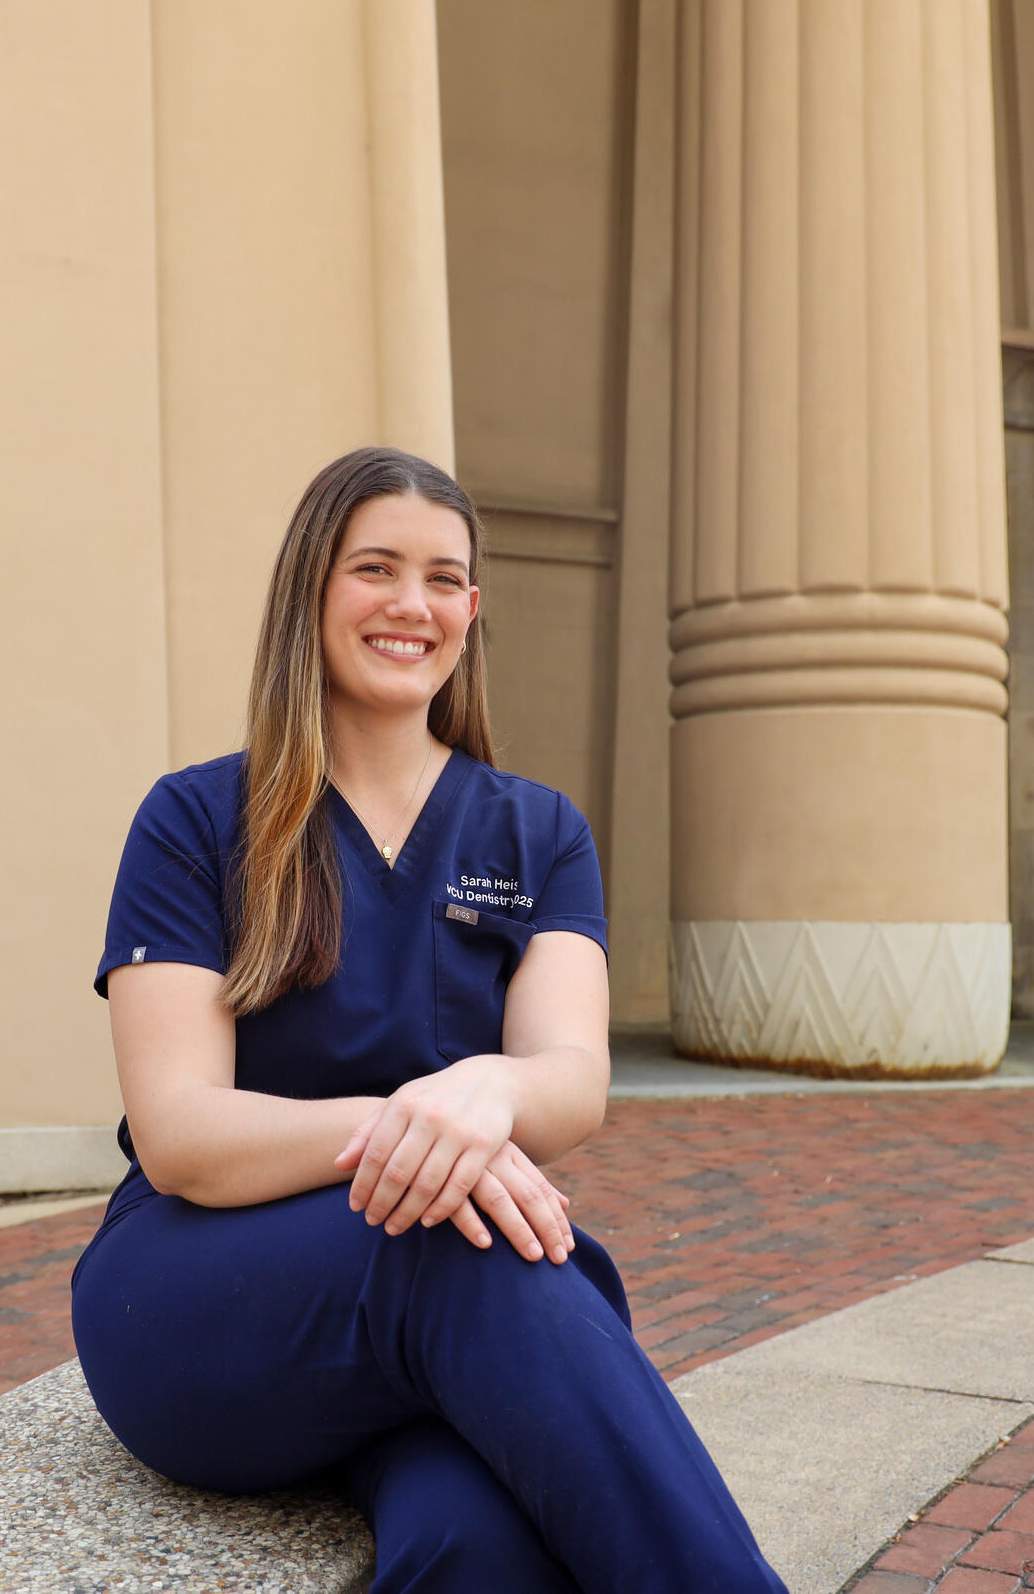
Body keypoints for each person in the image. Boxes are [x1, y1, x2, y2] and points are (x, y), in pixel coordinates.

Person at [72, 447, 787, 1593]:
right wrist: (415, 1123)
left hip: (420, 1323)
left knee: (479, 1547)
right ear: (311, 589)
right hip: (199, 1296)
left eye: (446, 578)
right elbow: (180, 1132)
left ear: (471, 609)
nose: (415, 604)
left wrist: (487, 1091)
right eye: (376, 568)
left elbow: (570, 1077)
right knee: (463, 1240)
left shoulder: (537, 830)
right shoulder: (196, 818)